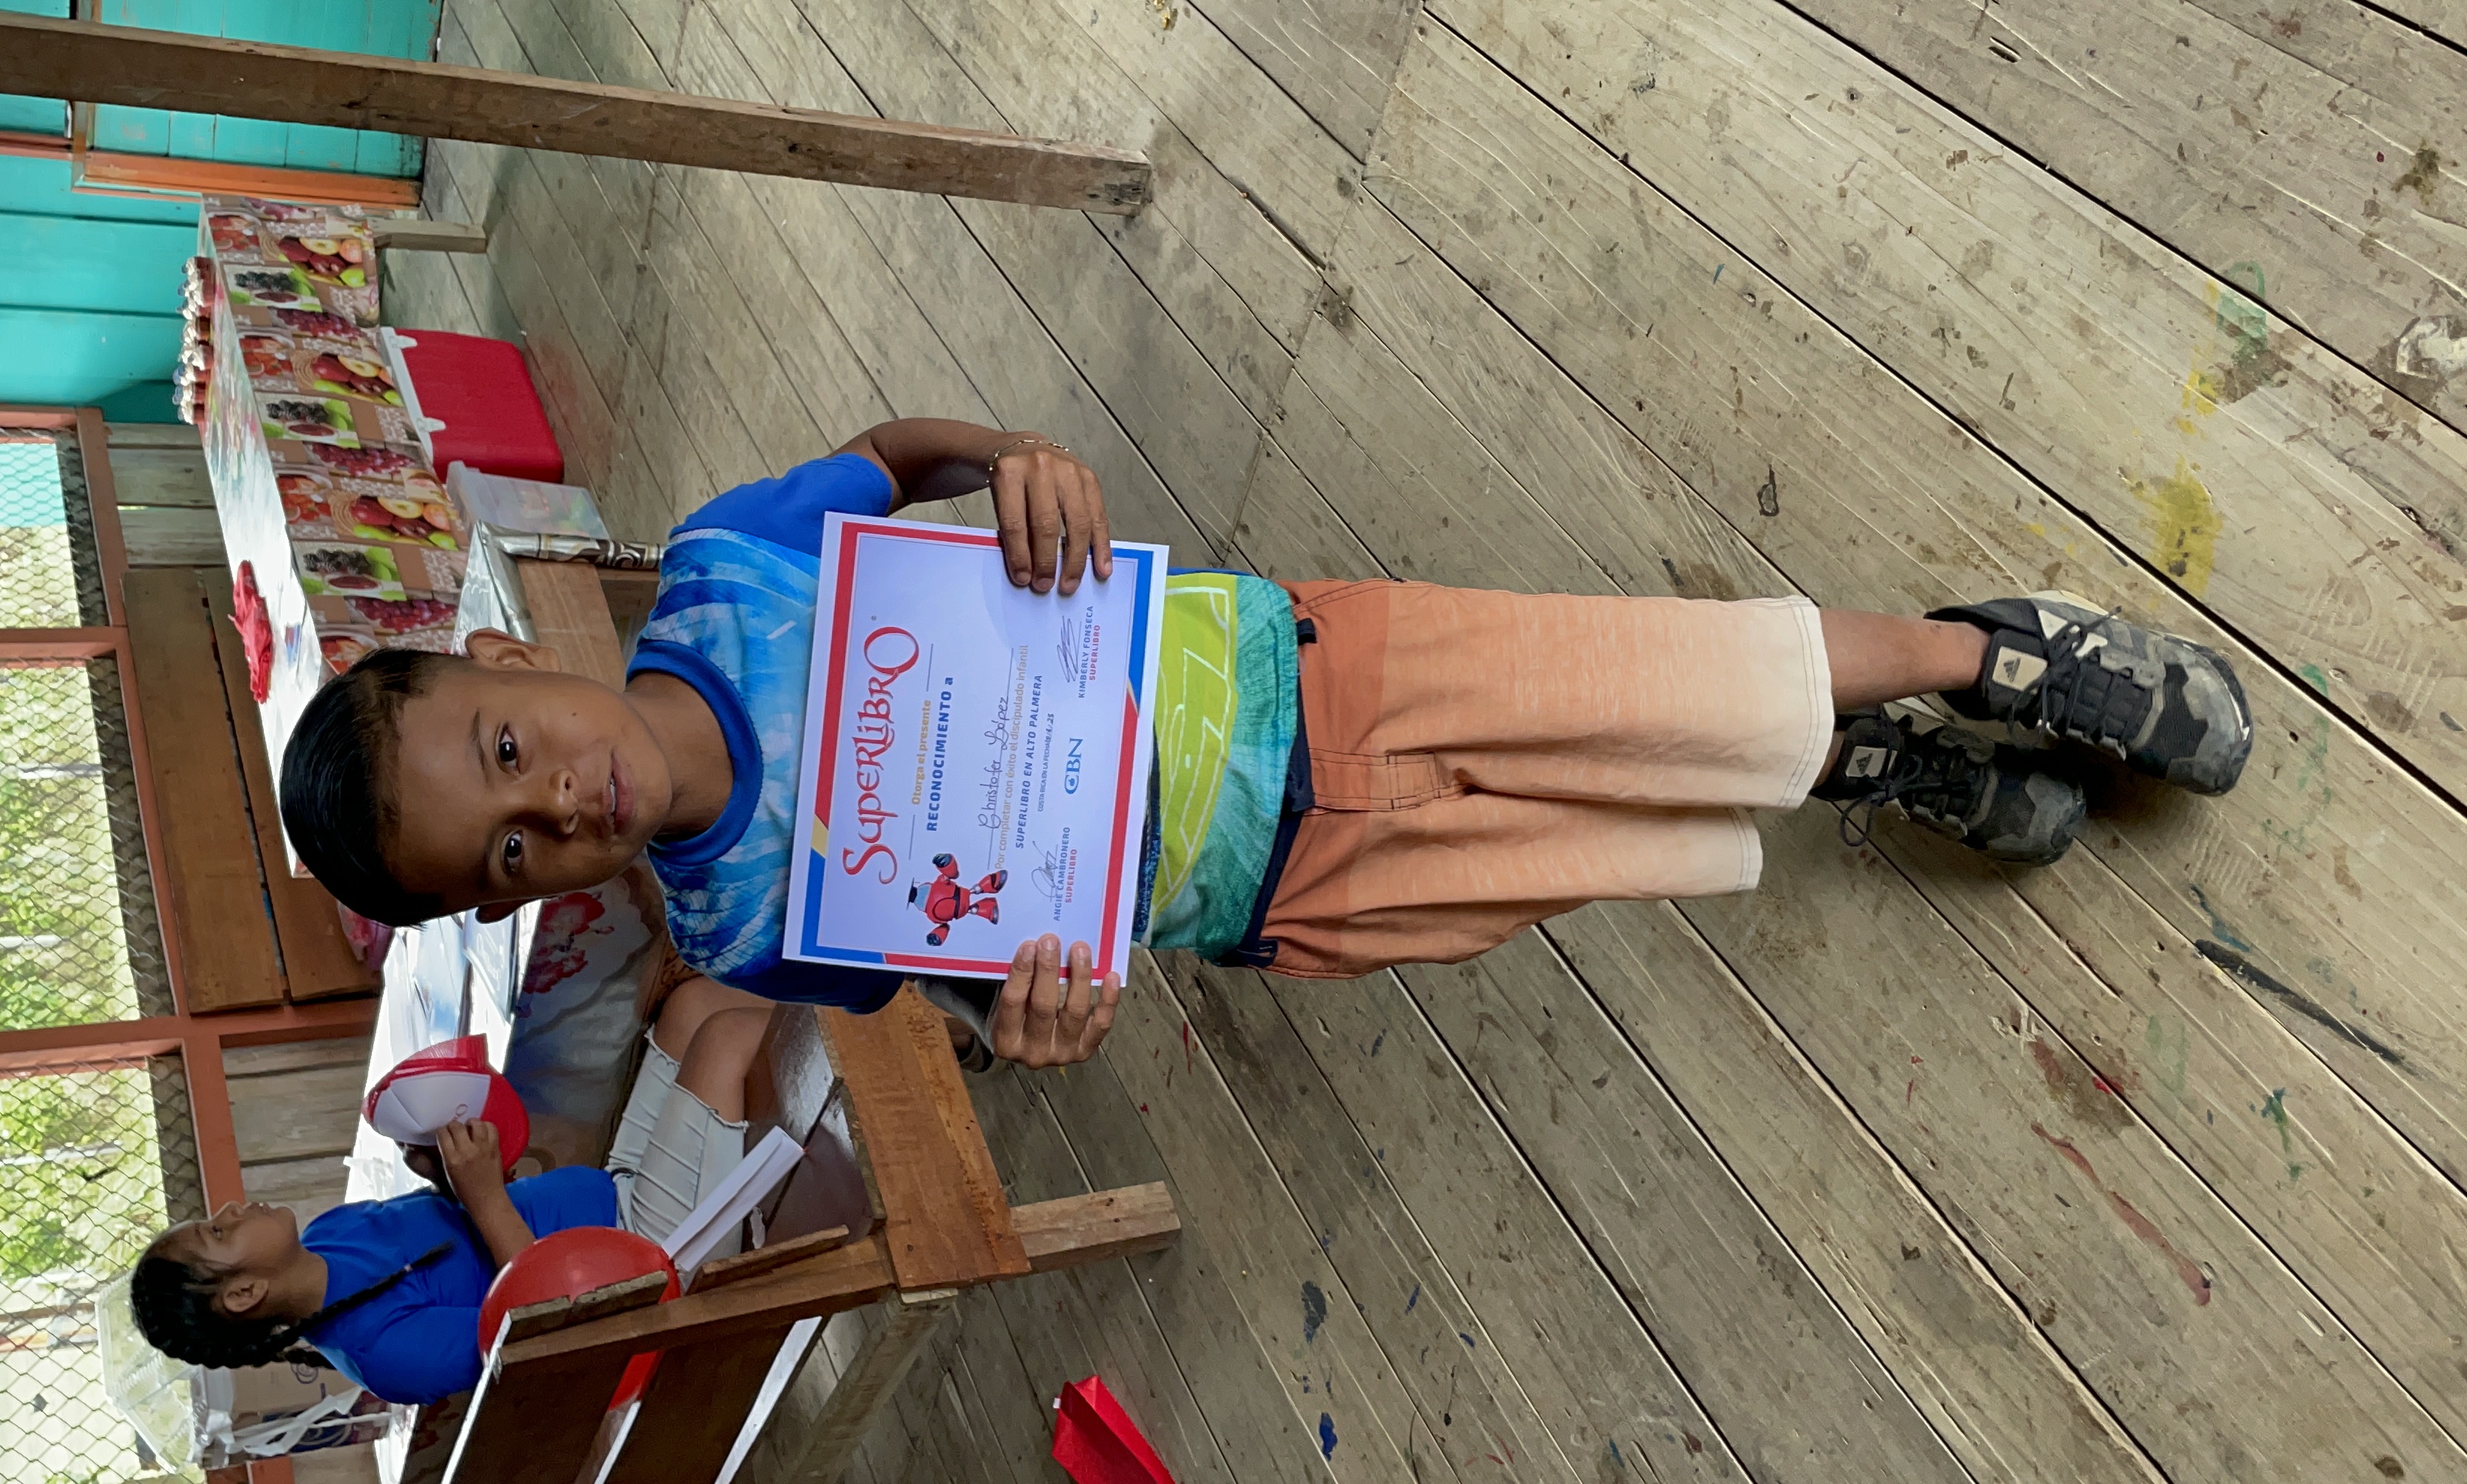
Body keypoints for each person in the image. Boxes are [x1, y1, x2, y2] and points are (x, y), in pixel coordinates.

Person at [277, 418, 2253, 1067]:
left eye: (509, 747)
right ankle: (1852, 761)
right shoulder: (733, 930)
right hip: (1283, 888)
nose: (560, 799)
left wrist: (1014, 464)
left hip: (1308, 676)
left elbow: (900, 458)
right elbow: (947, 976)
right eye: (513, 852)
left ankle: (1982, 651)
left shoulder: (726, 568)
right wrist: (1020, 1021)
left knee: (1644, 673)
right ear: (522, 907)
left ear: (494, 658)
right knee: (1608, 826)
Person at [129, 977, 771, 1406]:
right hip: (649, 1265)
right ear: (245, 1293)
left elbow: (465, 1235)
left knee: (693, 1006)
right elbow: (566, 1334)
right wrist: (487, 1197)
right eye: (220, 1231)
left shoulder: (330, 1234)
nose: (234, 1209)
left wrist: (446, 1177)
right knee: (724, 1040)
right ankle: (868, 1039)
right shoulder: (383, 1354)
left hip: (614, 1200)